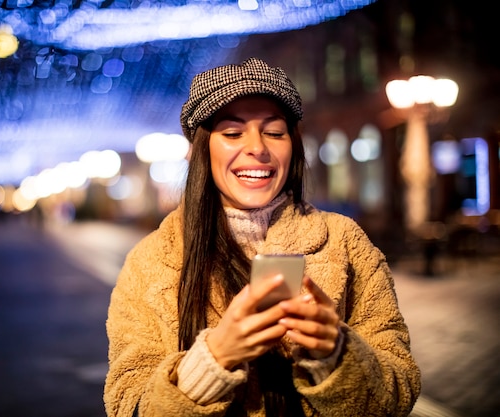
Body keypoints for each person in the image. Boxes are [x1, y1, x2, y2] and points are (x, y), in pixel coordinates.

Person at [104, 57, 421, 416]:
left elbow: (399, 388)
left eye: (274, 131)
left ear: (293, 145)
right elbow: (128, 403)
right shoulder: (150, 261)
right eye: (233, 132)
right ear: (201, 149)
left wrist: (335, 355)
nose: (258, 147)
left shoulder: (346, 241)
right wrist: (213, 360)